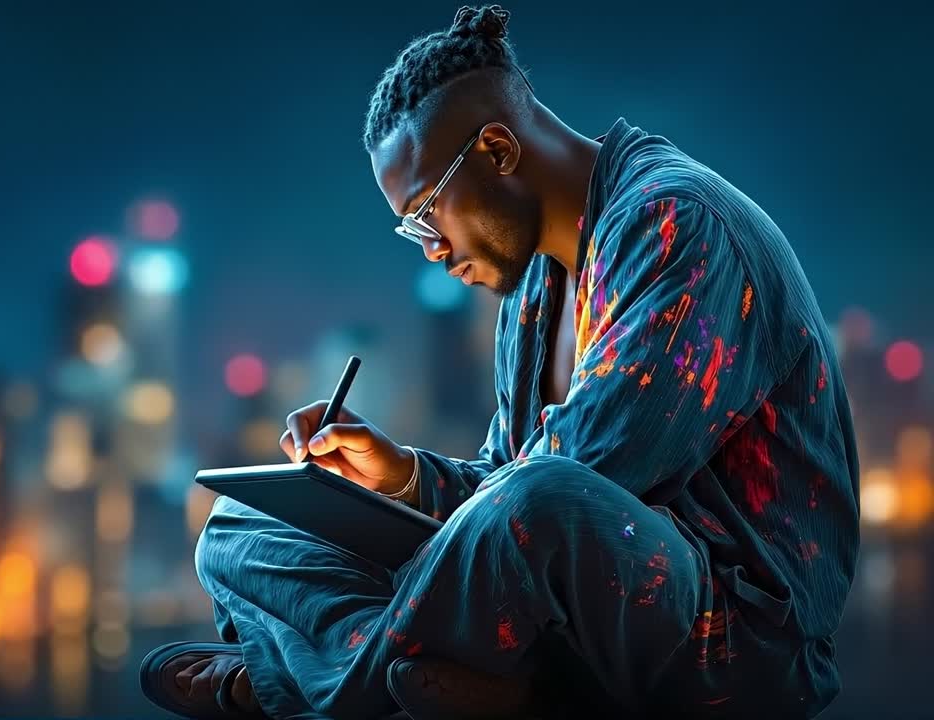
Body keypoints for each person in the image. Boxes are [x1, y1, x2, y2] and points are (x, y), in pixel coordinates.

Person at [140, 5, 859, 719]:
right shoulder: (532, 288)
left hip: (734, 639)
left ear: (496, 151)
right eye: (409, 229)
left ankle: (291, 682)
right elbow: (507, 488)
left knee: (546, 493)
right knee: (242, 525)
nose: (431, 249)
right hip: (557, 597)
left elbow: (574, 486)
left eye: (426, 214)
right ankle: (457, 673)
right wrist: (404, 481)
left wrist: (430, 521)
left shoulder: (678, 226)